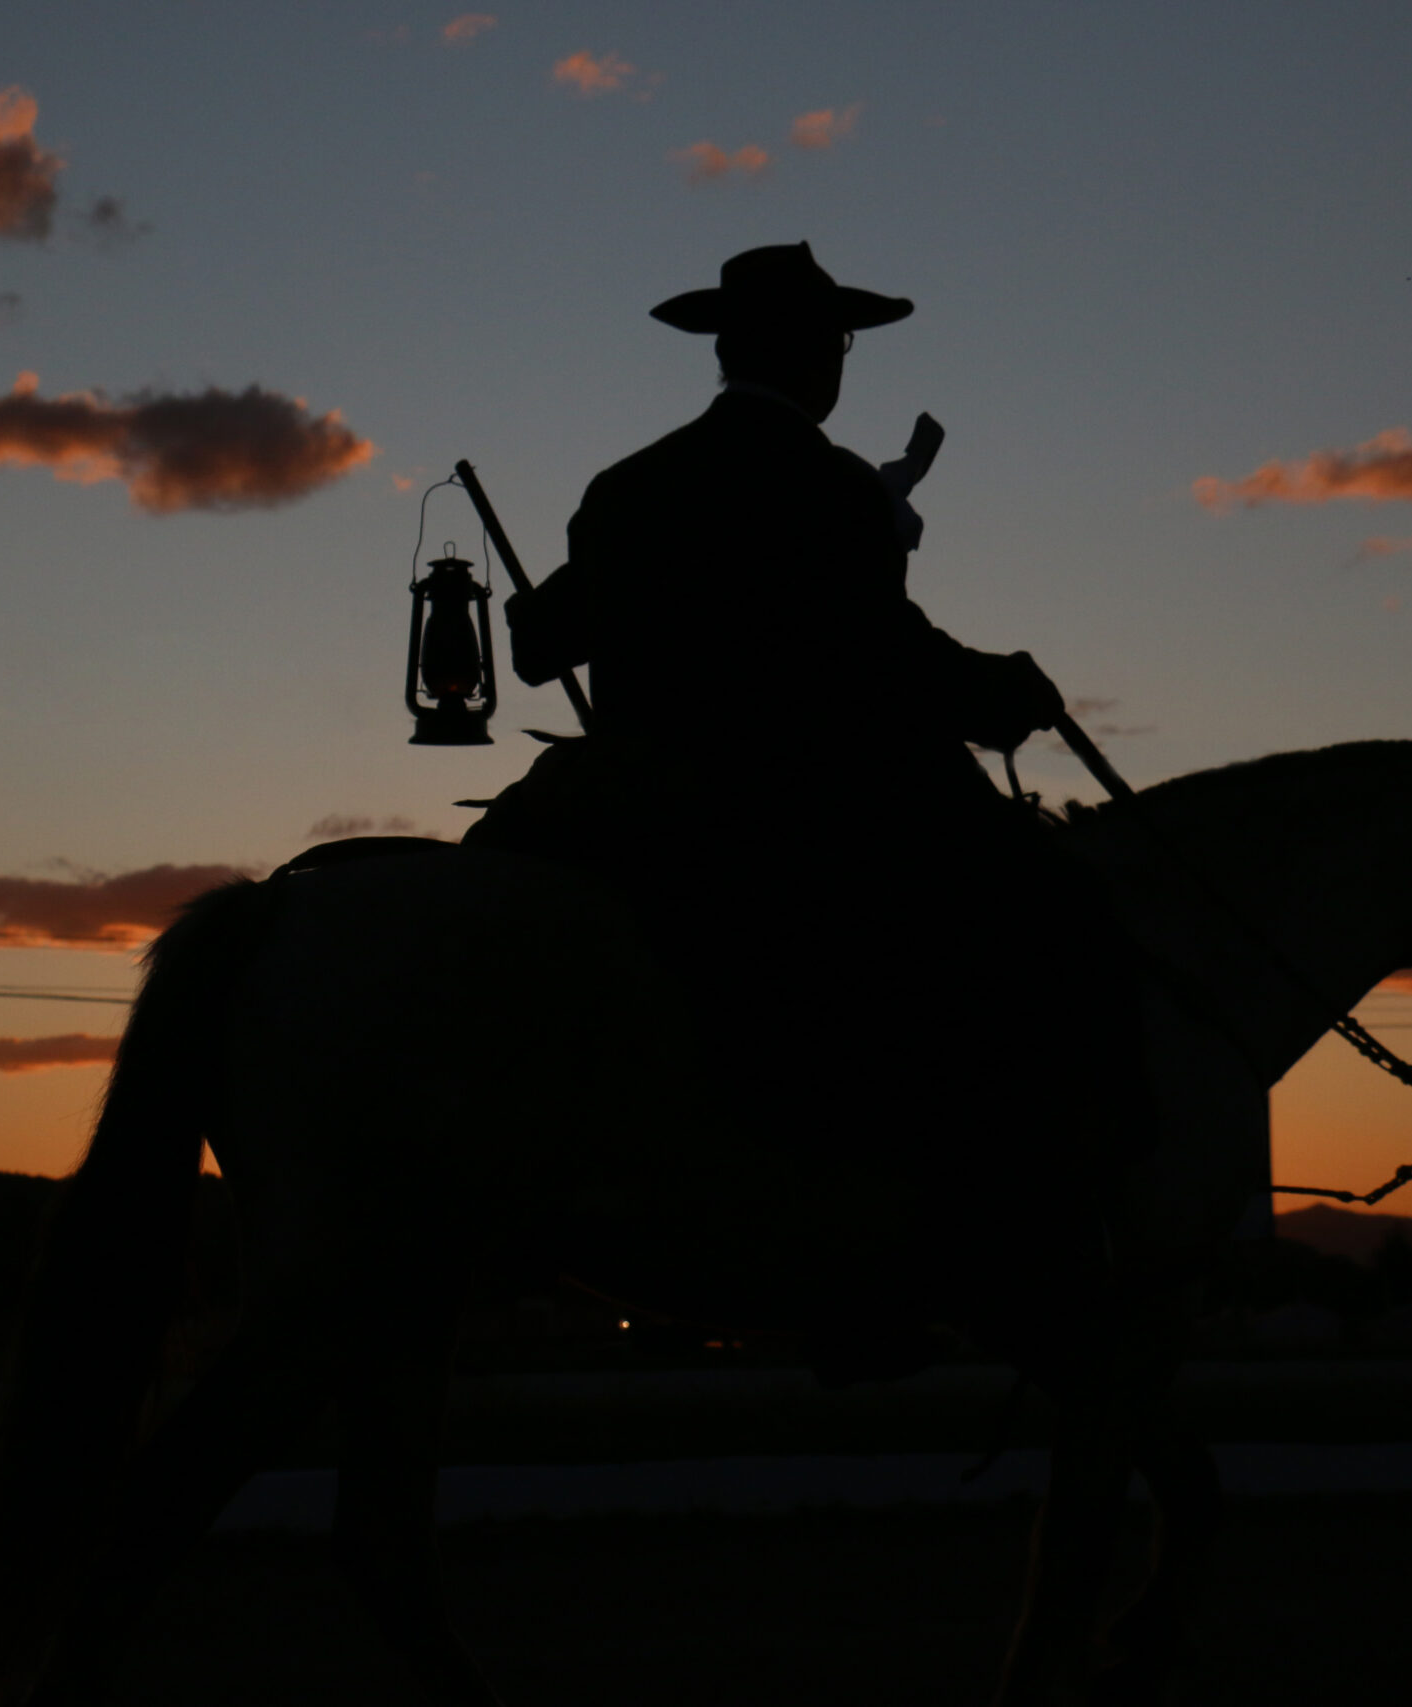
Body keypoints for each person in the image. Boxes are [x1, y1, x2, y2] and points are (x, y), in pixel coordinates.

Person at [469, 244, 1153, 1364]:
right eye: (837, 343)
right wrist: (1004, 687)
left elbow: (542, 648)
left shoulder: (629, 483)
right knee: (1050, 912)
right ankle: (1002, 1214)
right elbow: (885, 661)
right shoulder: (824, 483)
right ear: (810, 355)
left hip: (625, 803)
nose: (840, 363)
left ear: (727, 351)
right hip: (792, 806)